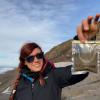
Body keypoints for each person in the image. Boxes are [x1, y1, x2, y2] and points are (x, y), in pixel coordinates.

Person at [9, 14, 100, 100]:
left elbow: (83, 69)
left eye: (39, 55)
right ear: (24, 62)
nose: (36, 60)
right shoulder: (20, 82)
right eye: (30, 58)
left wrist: (86, 43)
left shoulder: (53, 75)